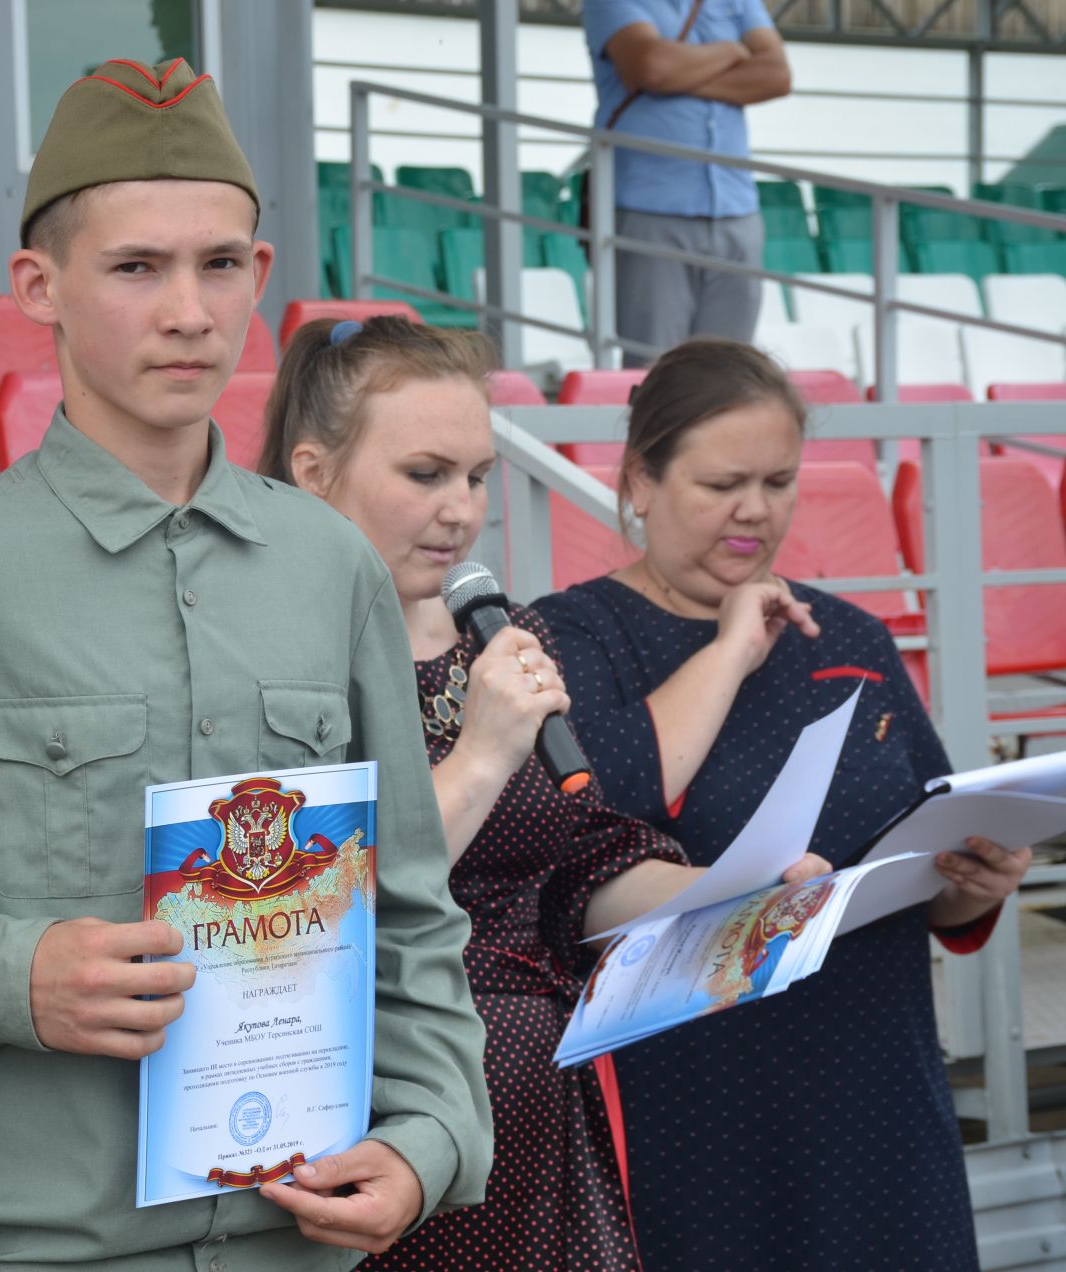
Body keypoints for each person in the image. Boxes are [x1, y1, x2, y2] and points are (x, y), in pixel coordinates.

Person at [0, 59, 490, 1269]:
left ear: (261, 277)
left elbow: (407, 905)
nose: (188, 311)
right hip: (41, 1244)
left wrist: (428, 1138)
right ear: (38, 288)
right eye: (135, 268)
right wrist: (9, 976)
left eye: (219, 265)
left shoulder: (332, 568)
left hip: (295, 1236)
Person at [259, 316, 827, 1270]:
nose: (460, 510)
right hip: (373, 1111)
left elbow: (581, 860)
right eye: (424, 474)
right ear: (315, 473)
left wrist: (733, 894)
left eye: (477, 476)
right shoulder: (270, 660)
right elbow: (300, 905)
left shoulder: (499, 631)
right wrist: (480, 751)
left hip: (530, 1109)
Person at [532, 338, 1032, 1270]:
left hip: (873, 1073)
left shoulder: (849, 634)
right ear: (640, 481)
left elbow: (927, 857)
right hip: (693, 1096)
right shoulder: (573, 634)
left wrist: (977, 880)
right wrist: (728, 648)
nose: (754, 512)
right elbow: (599, 805)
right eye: (722, 483)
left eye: (778, 482)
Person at [580, 0, 792, 365]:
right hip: (648, 209)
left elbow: (776, 75)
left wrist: (681, 74)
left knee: (727, 371)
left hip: (735, 210)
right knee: (653, 368)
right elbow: (654, 66)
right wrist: (733, 51)